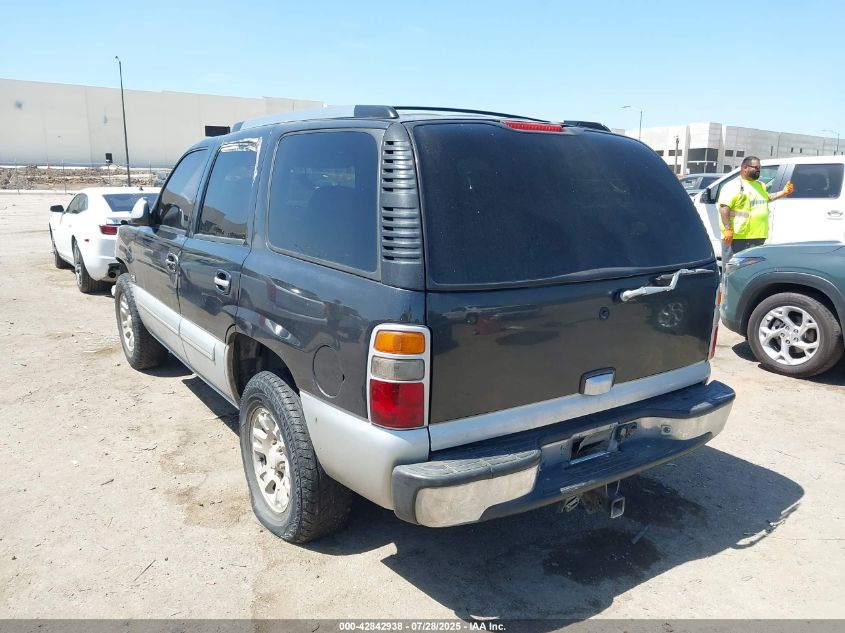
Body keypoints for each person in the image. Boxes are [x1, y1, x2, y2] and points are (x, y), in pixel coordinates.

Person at [718, 156, 793, 263]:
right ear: (744, 168)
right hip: (737, 237)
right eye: (755, 167)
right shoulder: (733, 186)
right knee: (734, 268)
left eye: (759, 167)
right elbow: (724, 208)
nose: (758, 170)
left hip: (758, 235)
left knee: (751, 269)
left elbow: (767, 198)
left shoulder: (760, 185)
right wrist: (728, 229)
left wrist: (784, 192)